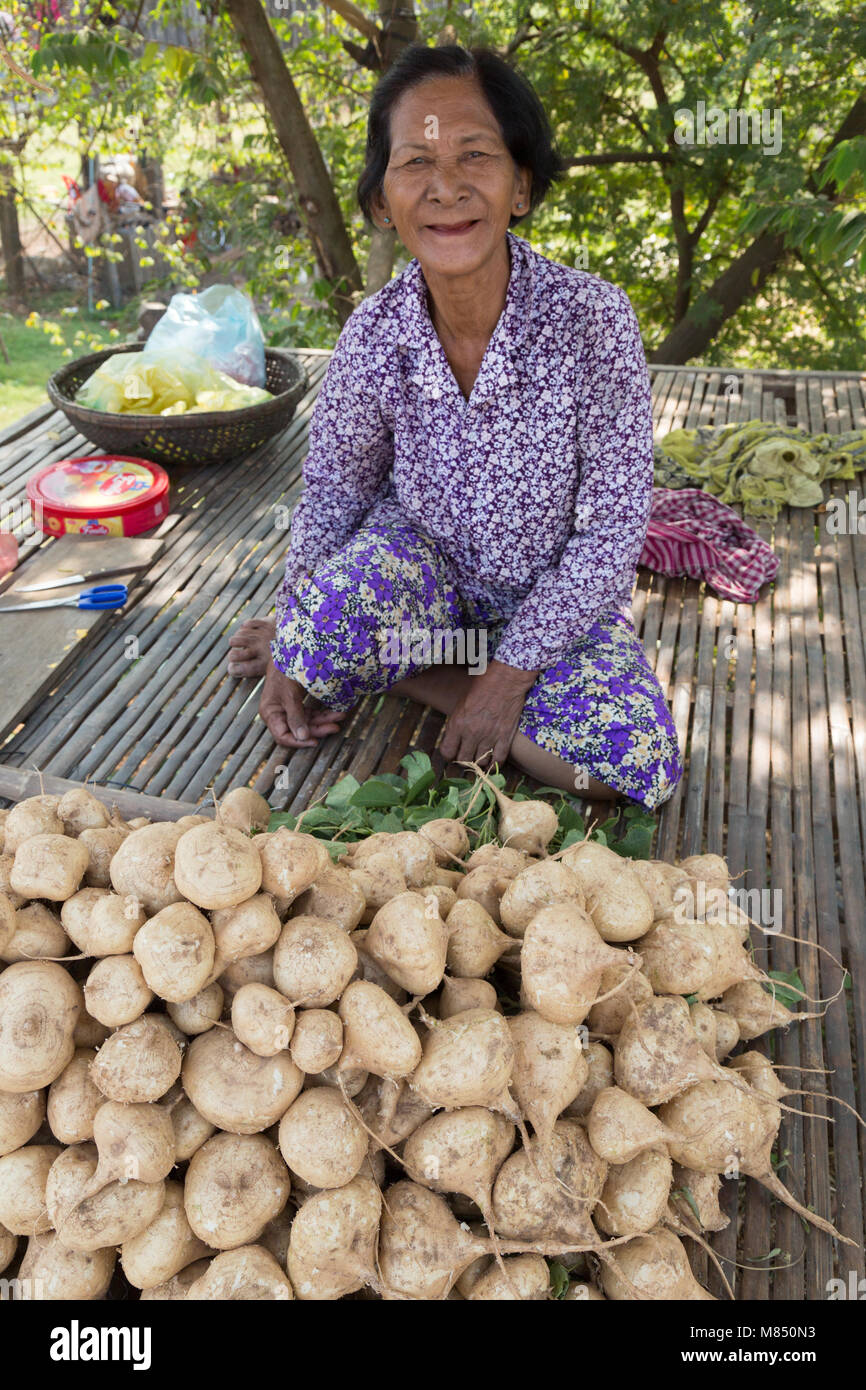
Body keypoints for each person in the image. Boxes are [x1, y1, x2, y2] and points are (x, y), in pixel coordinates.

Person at [228, 43, 682, 809]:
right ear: (381, 203)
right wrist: (293, 651)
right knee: (316, 630)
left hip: (554, 602)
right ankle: (353, 648)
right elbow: (332, 498)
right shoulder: (373, 334)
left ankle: (411, 673)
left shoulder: (593, 320)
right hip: (419, 575)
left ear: (522, 186)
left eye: (476, 155)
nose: (446, 188)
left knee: (629, 769)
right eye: (415, 163)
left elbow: (611, 536)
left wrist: (505, 680)